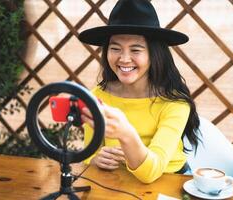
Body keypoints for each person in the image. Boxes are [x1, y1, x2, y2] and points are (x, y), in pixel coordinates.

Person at [78, 0, 200, 184]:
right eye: (115, 48)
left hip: (170, 180)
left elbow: (152, 172)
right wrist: (95, 159)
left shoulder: (175, 103)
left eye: (136, 49)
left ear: (154, 54)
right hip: (116, 182)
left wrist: (125, 132)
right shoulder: (96, 97)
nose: (124, 59)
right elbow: (88, 154)